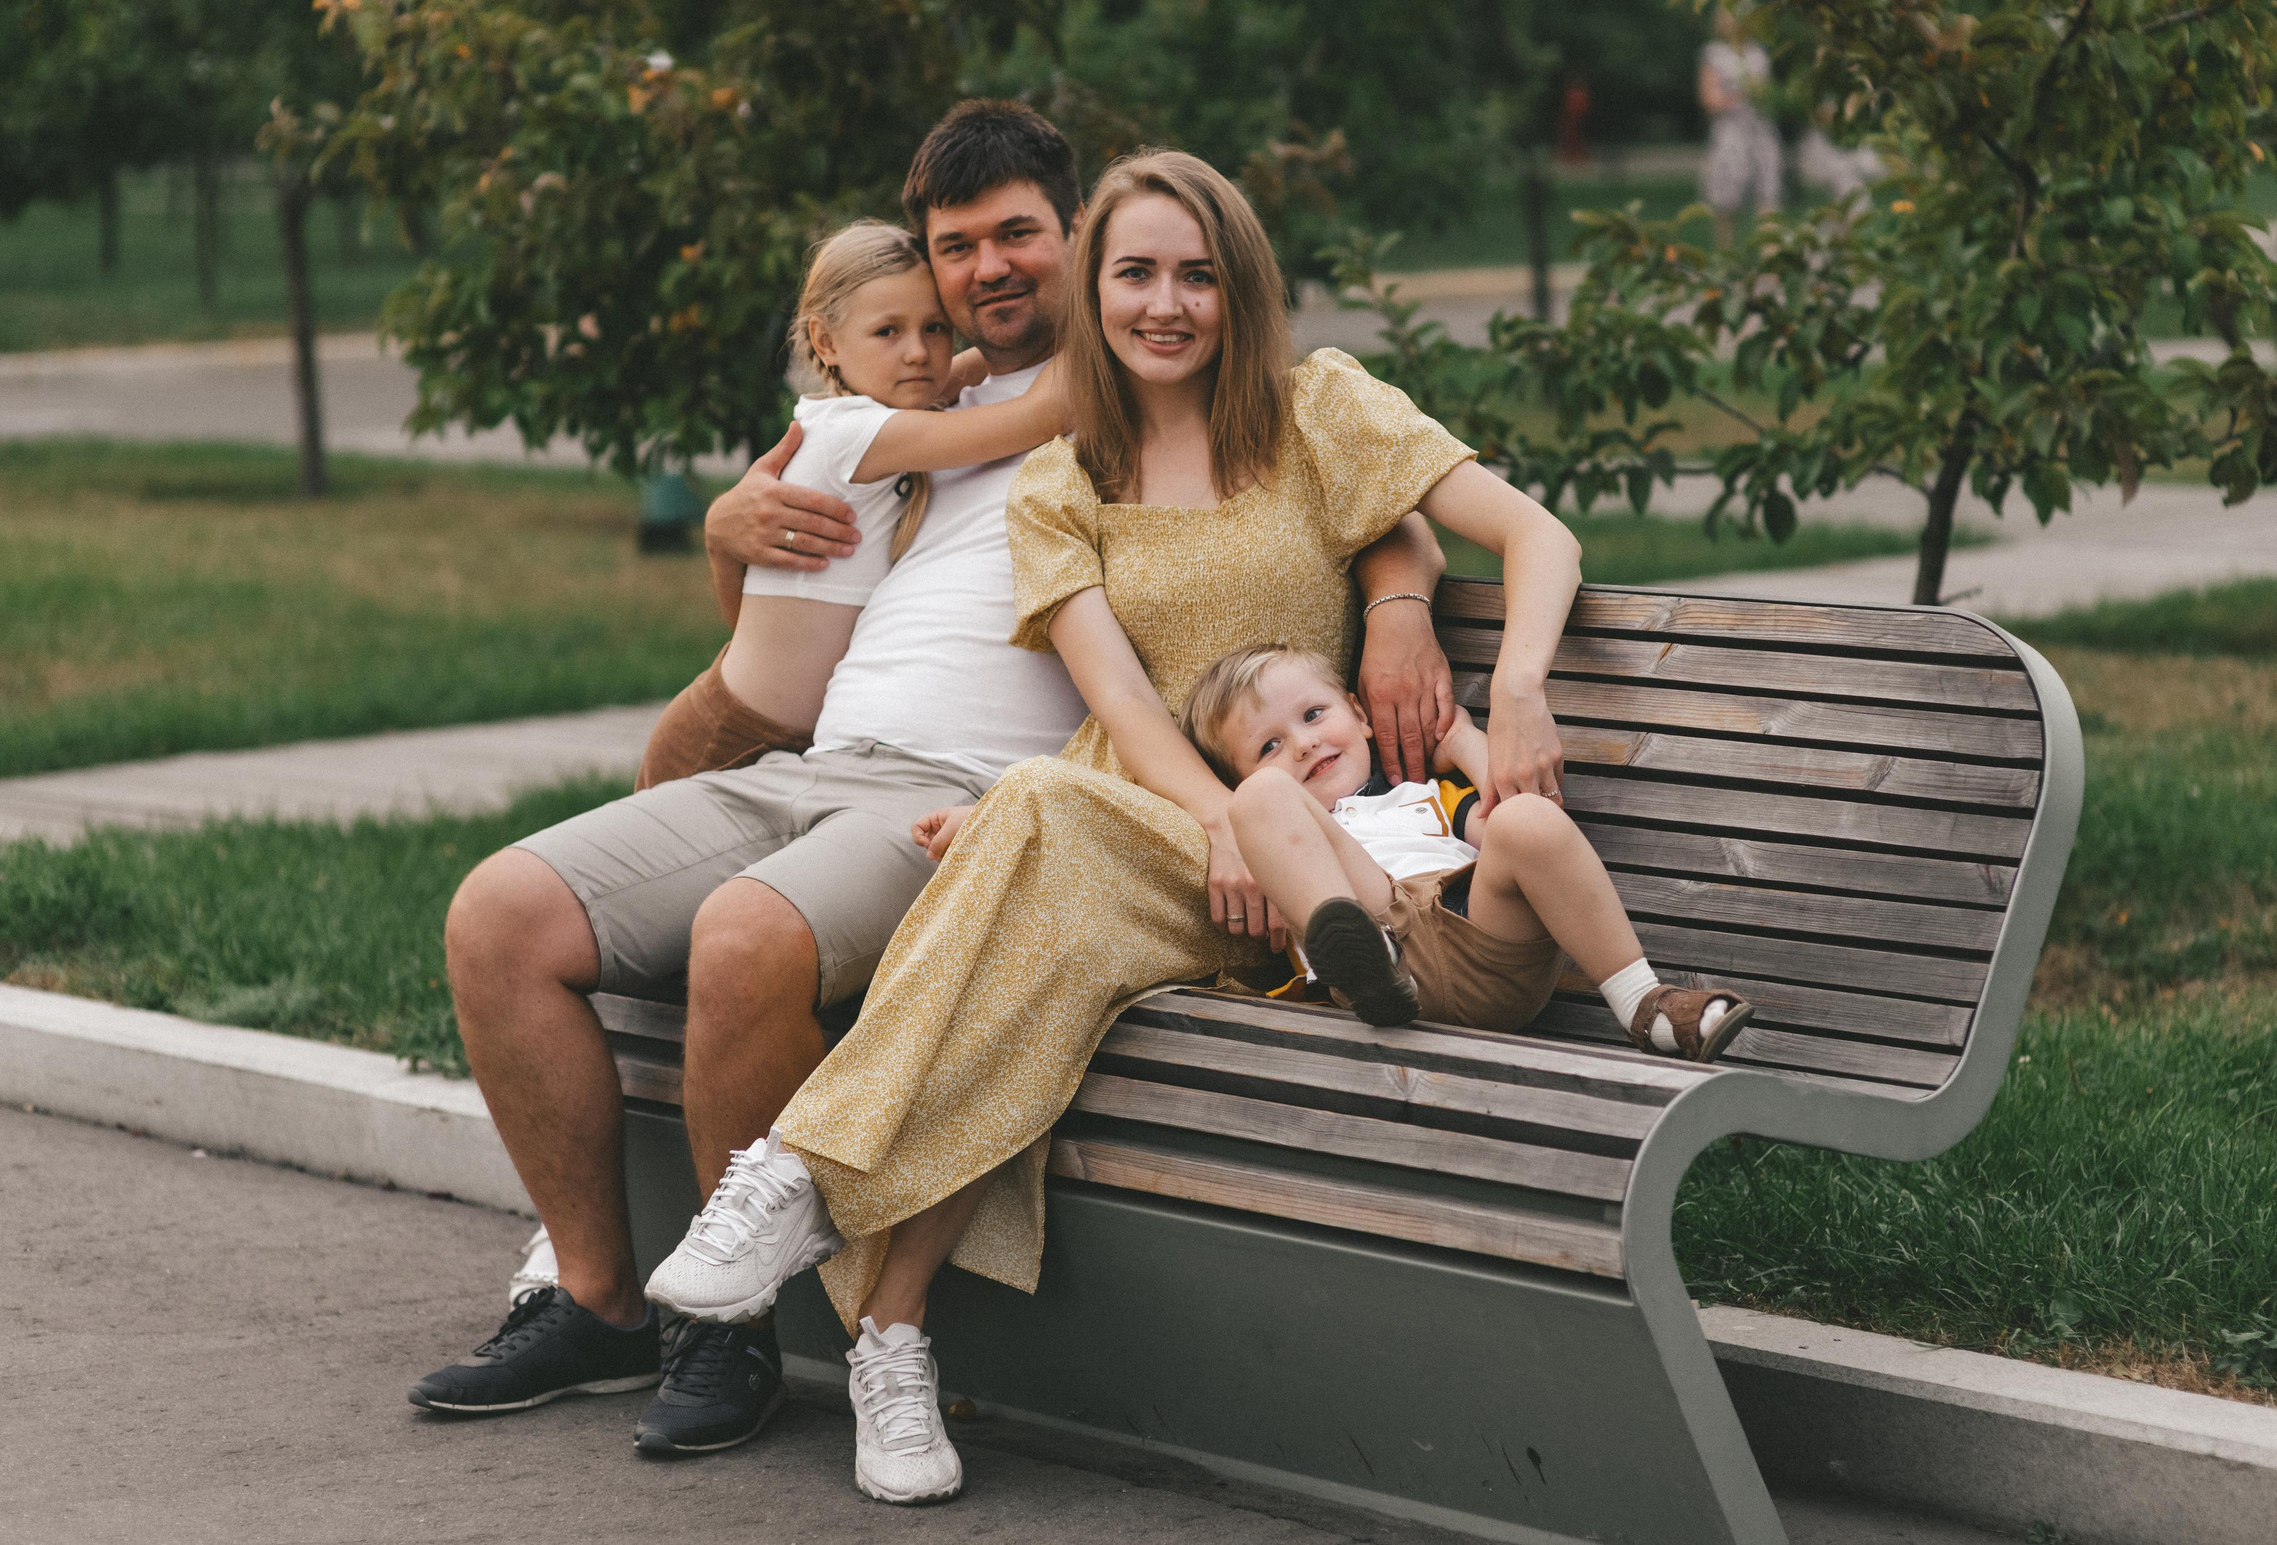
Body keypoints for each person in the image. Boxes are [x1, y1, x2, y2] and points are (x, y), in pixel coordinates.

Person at [409, 103, 1458, 1459]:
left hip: (967, 804)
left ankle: (724, 1337)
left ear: (1078, 234)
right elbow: (777, 631)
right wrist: (730, 529)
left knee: (744, 937)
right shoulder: (923, 406)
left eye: (1020, 234)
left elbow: (1357, 495)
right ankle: (600, 1294)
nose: (990, 268)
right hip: (813, 765)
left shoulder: (1142, 383)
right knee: (497, 914)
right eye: (959, 249)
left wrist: (1400, 601)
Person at [641, 149, 1589, 1508]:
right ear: (1098, 288)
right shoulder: (1062, 470)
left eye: (1196, 273)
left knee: (1017, 847)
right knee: (1026, 887)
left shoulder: (1320, 408)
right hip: (1156, 820)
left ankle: (798, 1173)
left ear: (1238, 285)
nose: (1165, 302)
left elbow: (1534, 537)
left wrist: (1515, 679)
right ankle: (891, 1339)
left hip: (1309, 854)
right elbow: (1124, 705)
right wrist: (1216, 819)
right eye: (1135, 274)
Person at [633, 219, 1064, 790]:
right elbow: (1036, 415)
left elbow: (961, 371)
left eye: (936, 328)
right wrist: (1093, 318)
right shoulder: (850, 436)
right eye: (887, 332)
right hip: (730, 732)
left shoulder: (889, 417)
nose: (917, 353)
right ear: (826, 342)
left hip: (794, 737)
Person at [1177, 643, 1754, 1057]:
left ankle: (1643, 1003)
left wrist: (1464, 741)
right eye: (1270, 745)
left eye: (1313, 715)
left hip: (1487, 944)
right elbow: (1261, 814)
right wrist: (1256, 811)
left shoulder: (1424, 795)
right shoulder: (1285, 834)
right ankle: (1368, 956)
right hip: (1378, 953)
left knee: (1525, 818)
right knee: (1260, 802)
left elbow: (1507, 820)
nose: (1303, 744)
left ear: (1358, 714)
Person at [1698, 6, 1782, 247]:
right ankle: (1726, 256)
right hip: (1730, 133)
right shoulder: (1713, 53)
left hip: (1761, 130)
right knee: (1726, 201)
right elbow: (1708, 99)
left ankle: (1771, 261)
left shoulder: (1758, 53)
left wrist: (1765, 95)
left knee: (1768, 196)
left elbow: (1770, 93)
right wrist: (1742, 94)